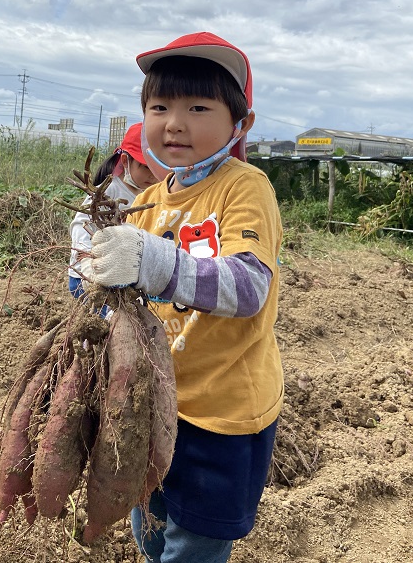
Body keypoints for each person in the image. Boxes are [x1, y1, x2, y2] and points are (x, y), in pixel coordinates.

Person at [86, 32, 284, 563]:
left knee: (194, 545)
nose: (175, 121)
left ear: (240, 124)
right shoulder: (146, 201)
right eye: (160, 106)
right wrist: (97, 286)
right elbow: (128, 300)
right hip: (151, 405)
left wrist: (155, 262)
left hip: (222, 415)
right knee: (150, 529)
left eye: (198, 107)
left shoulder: (245, 187)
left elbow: (248, 289)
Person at [68, 122, 157, 301]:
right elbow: (81, 224)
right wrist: (88, 264)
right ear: (125, 161)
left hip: (126, 277)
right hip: (89, 280)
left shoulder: (152, 194)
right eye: (145, 167)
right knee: (108, 320)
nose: (152, 175)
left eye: (157, 167)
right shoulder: (108, 191)